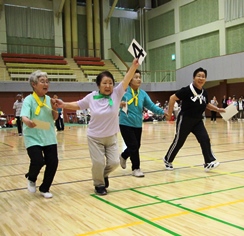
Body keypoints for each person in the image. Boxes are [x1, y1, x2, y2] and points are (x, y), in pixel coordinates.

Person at [55, 58, 139, 195]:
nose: (108, 86)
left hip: (111, 137)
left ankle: (101, 175)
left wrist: (133, 66)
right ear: (98, 85)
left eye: (110, 83)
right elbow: (78, 104)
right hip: (95, 138)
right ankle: (99, 184)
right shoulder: (91, 97)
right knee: (98, 163)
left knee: (114, 163)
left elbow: (126, 79)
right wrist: (63, 105)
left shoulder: (117, 94)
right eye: (104, 83)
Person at [163, 67, 225, 172]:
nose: (201, 78)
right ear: (193, 78)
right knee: (179, 141)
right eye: (198, 76)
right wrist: (169, 113)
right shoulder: (186, 90)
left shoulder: (204, 92)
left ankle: (208, 162)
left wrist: (218, 109)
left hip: (198, 121)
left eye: (203, 77)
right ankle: (167, 159)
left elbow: (207, 104)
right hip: (185, 119)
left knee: (204, 139)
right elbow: (172, 98)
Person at [119, 69, 169, 177]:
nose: (138, 79)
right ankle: (136, 168)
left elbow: (151, 106)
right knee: (133, 145)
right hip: (125, 123)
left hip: (137, 124)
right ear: (130, 79)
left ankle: (123, 156)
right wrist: (119, 103)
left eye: (139, 77)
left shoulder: (142, 94)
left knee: (137, 145)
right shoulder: (123, 91)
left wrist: (162, 112)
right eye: (135, 77)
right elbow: (111, 100)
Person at [21, 70, 59, 198]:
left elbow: (55, 117)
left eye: (47, 81)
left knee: (53, 162)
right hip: (33, 136)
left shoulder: (49, 99)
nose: (46, 84)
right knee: (37, 160)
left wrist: (55, 107)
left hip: (48, 135)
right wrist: (28, 121)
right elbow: (24, 116)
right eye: (42, 81)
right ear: (34, 84)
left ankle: (45, 188)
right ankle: (31, 178)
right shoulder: (29, 99)